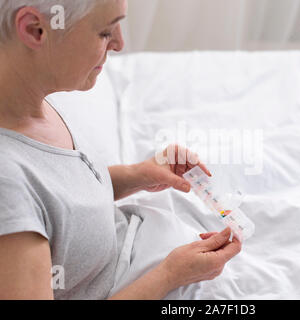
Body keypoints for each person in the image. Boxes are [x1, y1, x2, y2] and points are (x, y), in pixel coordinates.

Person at [0, 0, 241, 300]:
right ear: (35, 30)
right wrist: (170, 274)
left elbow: (59, 205)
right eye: (104, 32)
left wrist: (136, 174)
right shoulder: (7, 188)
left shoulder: (31, 102)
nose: (119, 43)